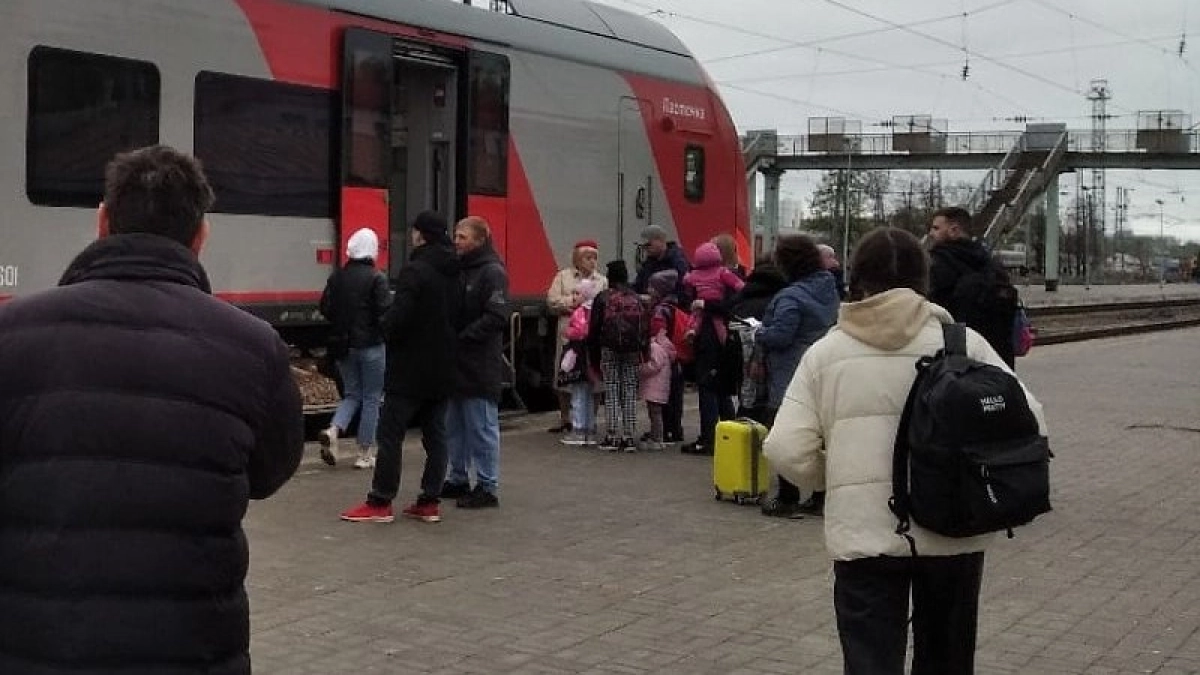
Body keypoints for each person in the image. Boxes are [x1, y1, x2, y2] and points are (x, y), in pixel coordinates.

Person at [0, 145, 303, 674]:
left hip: (38, 645)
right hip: (191, 647)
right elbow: (269, 473)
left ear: (102, 222)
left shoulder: (12, 332)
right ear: (200, 236)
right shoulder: (255, 347)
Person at [763, 226, 1047, 675]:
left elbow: (784, 448)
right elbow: (1031, 420)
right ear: (924, 280)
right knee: (947, 660)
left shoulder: (826, 352)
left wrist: (836, 480)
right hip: (954, 529)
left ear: (856, 280)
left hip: (864, 538)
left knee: (870, 661)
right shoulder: (963, 343)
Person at [339, 212, 461, 524]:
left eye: (414, 232)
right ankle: (429, 500)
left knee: (391, 432)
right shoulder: (456, 269)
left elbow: (401, 315)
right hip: (444, 363)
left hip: (410, 366)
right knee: (436, 433)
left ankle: (381, 500)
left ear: (421, 235)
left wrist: (384, 328)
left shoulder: (416, 270)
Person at [754, 235, 839, 518]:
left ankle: (787, 497)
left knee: (784, 433)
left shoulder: (790, 296)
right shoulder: (829, 289)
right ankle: (820, 496)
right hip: (824, 370)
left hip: (789, 372)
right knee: (822, 437)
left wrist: (758, 333)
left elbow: (781, 335)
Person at [442, 216, 510, 509]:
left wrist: (463, 336)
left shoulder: (492, 272)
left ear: (480, 240)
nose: (456, 241)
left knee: (481, 426)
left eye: (462, 237)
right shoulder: (461, 271)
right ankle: (457, 477)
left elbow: (496, 316)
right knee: (455, 425)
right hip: (458, 362)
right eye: (456, 236)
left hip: (479, 363)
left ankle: (487, 484)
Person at [318, 227, 391, 469]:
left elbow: (325, 308)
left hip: (343, 346)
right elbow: (385, 312)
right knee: (371, 398)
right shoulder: (377, 277)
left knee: (352, 394)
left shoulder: (337, 276)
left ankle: (334, 429)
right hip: (371, 346)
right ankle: (364, 454)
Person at [927, 206, 1018, 367]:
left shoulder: (937, 264)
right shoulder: (992, 264)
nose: (931, 234)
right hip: (998, 362)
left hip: (956, 365)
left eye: (936, 228)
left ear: (954, 230)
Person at [545, 240, 607, 434]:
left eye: (594, 258)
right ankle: (565, 418)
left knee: (594, 377)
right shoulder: (563, 277)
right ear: (577, 260)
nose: (592, 262)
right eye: (588, 258)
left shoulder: (601, 280)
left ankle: (591, 419)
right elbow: (552, 301)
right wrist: (572, 301)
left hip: (592, 335)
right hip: (569, 334)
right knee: (565, 376)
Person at [588, 259, 646, 452]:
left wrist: (594, 354)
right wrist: (644, 351)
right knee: (629, 388)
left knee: (612, 388)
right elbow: (645, 328)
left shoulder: (603, 298)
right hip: (632, 350)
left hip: (609, 348)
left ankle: (612, 434)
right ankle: (628, 436)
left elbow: (594, 328)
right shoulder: (635, 298)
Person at [560, 278, 601, 446]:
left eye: (577, 293)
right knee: (589, 396)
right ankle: (589, 430)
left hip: (579, 357)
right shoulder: (595, 311)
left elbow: (578, 331)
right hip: (591, 358)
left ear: (585, 295)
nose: (574, 297)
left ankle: (578, 430)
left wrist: (567, 331)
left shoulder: (579, 313)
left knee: (577, 395)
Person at [647, 269, 686, 444]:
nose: (648, 291)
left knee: (661, 396)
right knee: (675, 395)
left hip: (664, 359)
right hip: (677, 358)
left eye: (652, 287)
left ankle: (663, 431)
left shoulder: (660, 311)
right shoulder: (675, 305)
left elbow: (657, 334)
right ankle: (675, 429)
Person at [683, 241, 746, 346]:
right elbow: (738, 284)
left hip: (700, 305)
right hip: (717, 303)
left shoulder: (694, 274)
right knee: (719, 325)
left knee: (696, 317)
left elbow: (686, 280)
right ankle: (723, 340)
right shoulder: (722, 272)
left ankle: (692, 331)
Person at [638, 329, 676, 451]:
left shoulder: (654, 347)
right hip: (659, 387)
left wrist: (640, 369)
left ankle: (657, 438)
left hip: (654, 386)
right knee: (655, 413)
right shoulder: (664, 347)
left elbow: (654, 365)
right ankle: (657, 436)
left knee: (655, 414)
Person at [633, 224, 690, 298]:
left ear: (660, 240)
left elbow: (683, 286)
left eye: (648, 244)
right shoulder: (648, 262)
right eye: (643, 246)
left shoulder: (678, 260)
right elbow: (638, 284)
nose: (645, 248)